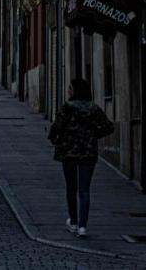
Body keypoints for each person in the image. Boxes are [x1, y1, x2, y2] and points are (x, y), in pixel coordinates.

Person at [49, 78, 114, 238]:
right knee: (84, 190)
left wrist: (56, 139)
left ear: (75, 90)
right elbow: (108, 126)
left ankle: (73, 222)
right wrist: (93, 135)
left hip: (68, 152)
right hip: (88, 153)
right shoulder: (93, 108)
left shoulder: (67, 108)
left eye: (70, 88)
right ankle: (83, 227)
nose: (68, 91)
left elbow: (56, 127)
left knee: (71, 188)